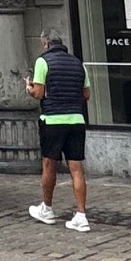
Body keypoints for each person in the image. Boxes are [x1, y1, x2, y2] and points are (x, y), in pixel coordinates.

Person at [27, 31, 91, 231]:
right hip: (76, 120)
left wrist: (29, 88)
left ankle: (47, 208)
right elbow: (86, 94)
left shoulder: (42, 61)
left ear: (46, 44)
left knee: (49, 165)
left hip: (53, 120)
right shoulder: (78, 63)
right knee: (76, 168)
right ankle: (81, 215)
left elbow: (38, 93)